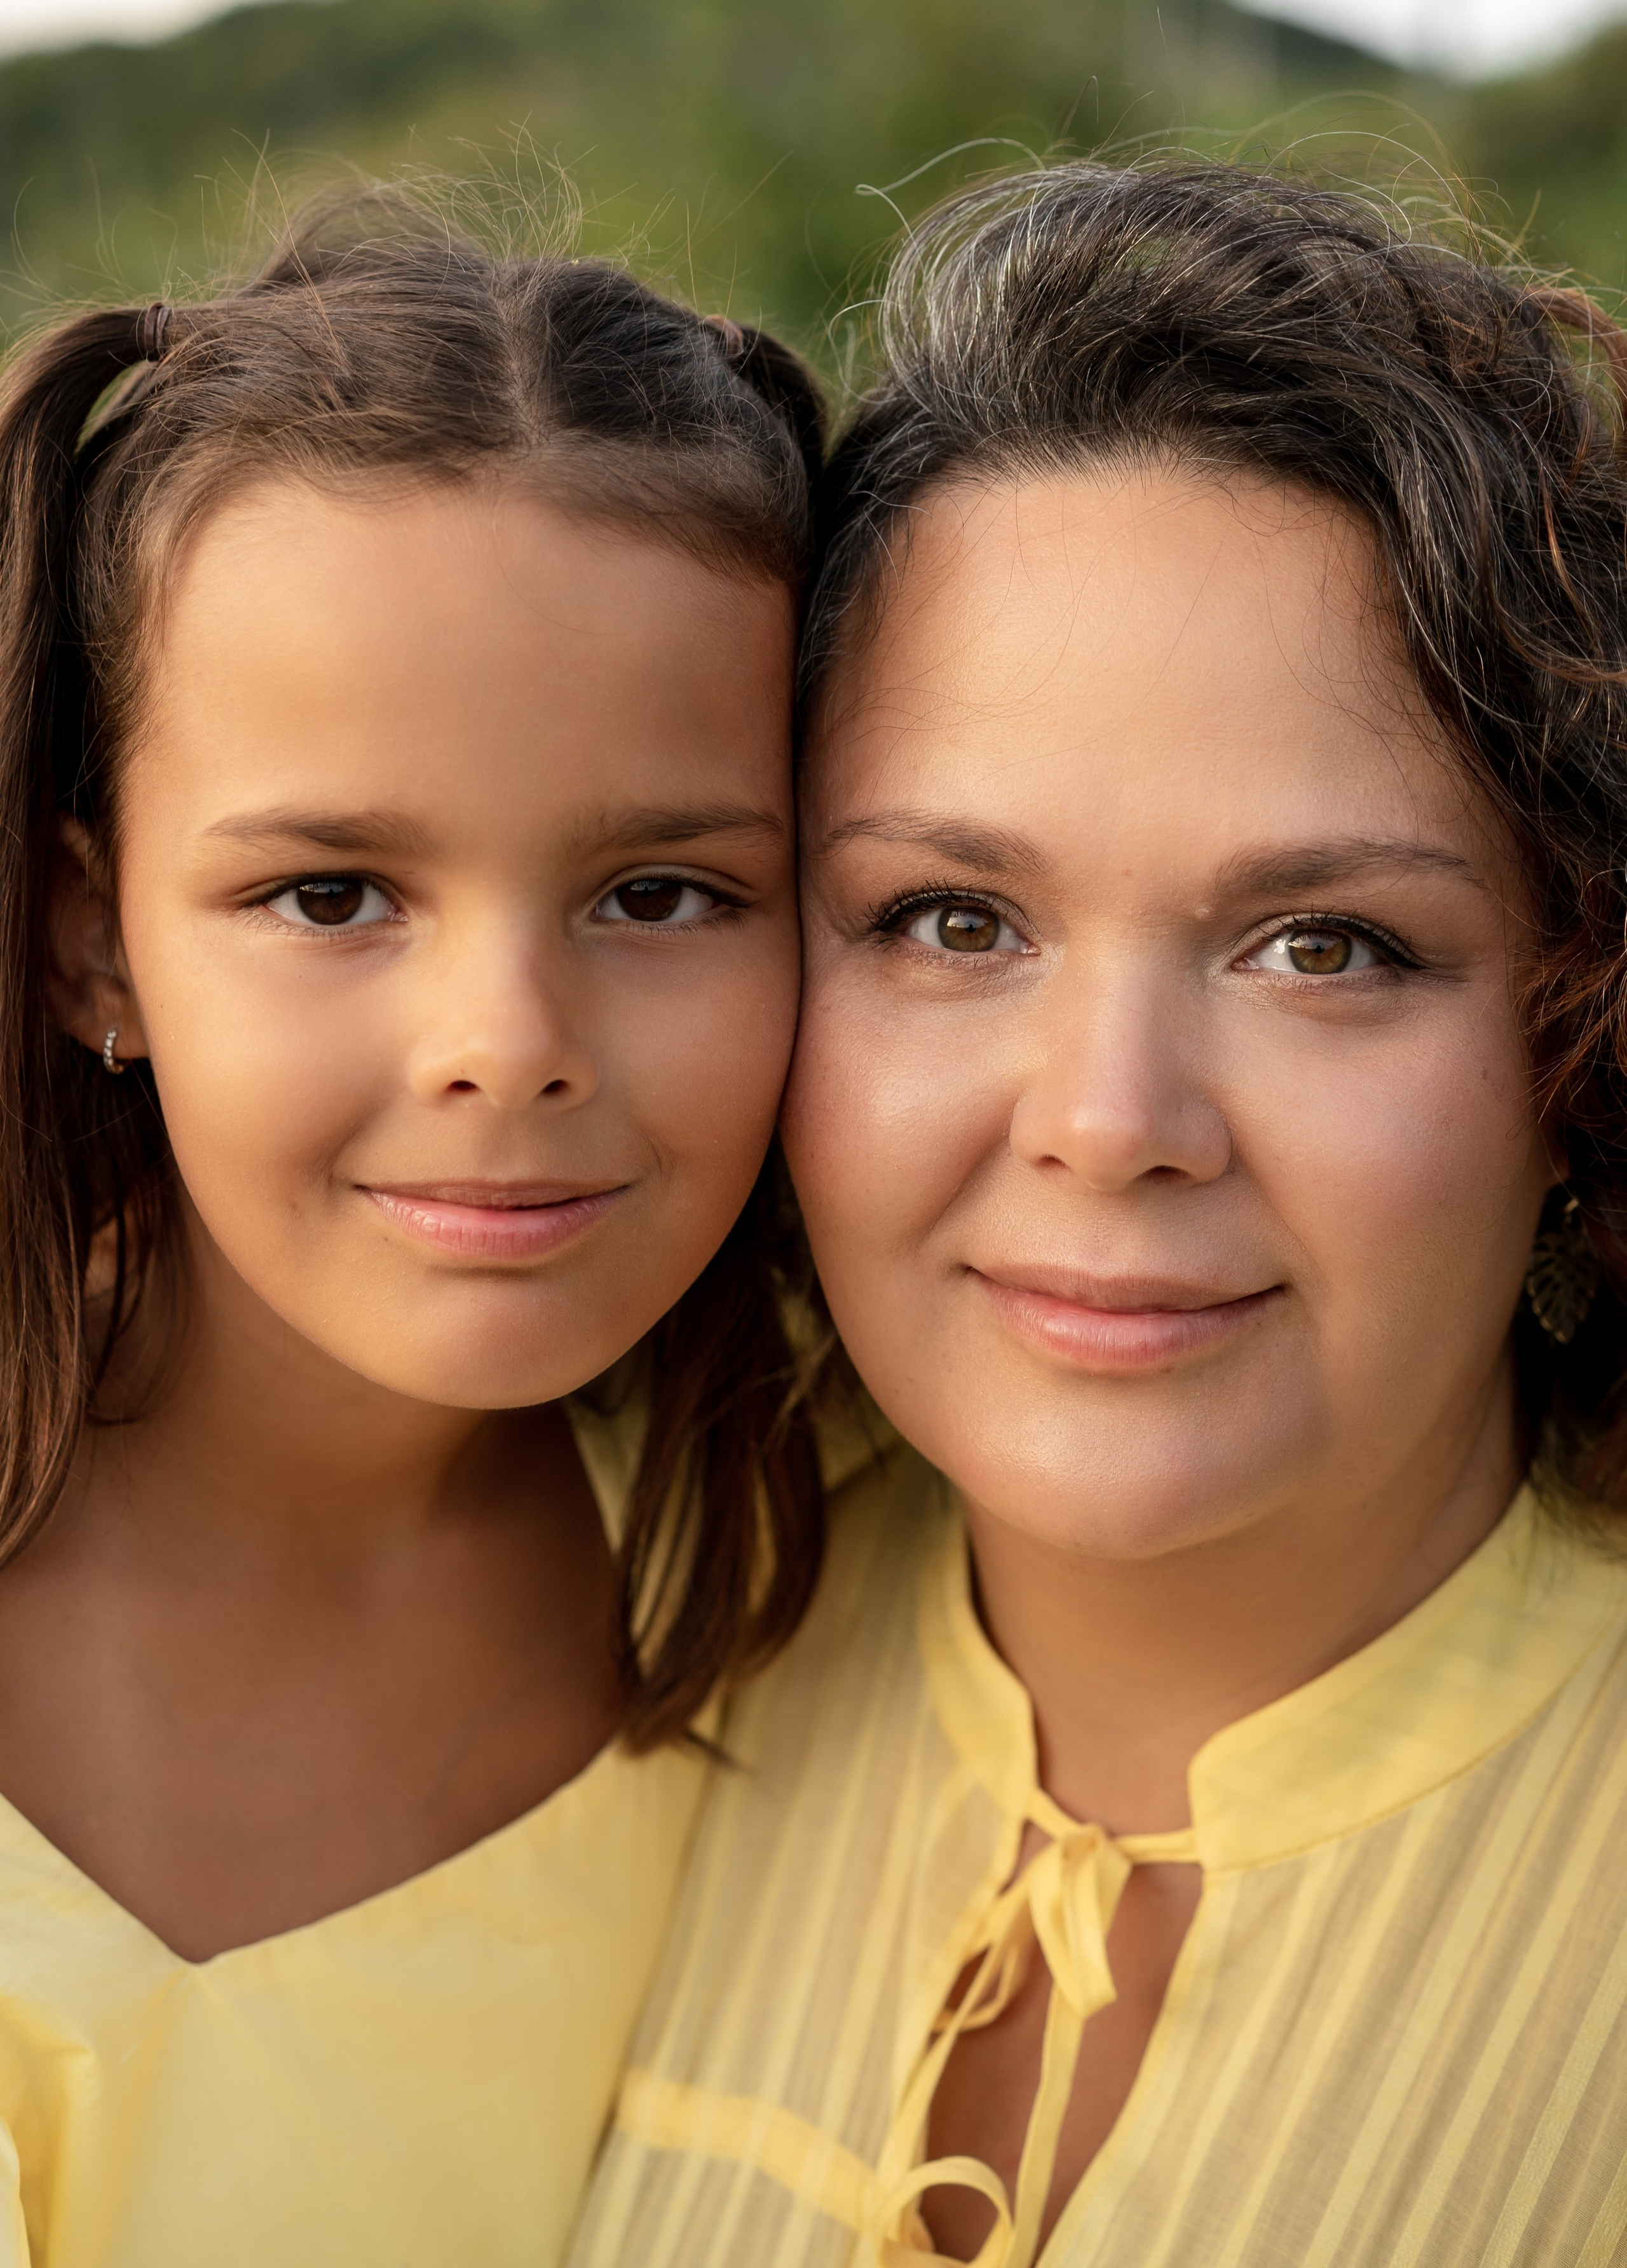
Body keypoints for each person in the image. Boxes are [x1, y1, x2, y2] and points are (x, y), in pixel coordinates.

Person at [570, 163, 1627, 2267]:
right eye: (953, 918)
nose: (1111, 1120)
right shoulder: (577, 1607)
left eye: (1326, 946)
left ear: (1578, 1019)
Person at [0, 193, 827, 2267]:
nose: (510, 1048)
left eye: (660, 894)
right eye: (330, 895)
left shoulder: (844, 1543)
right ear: (91, 936)